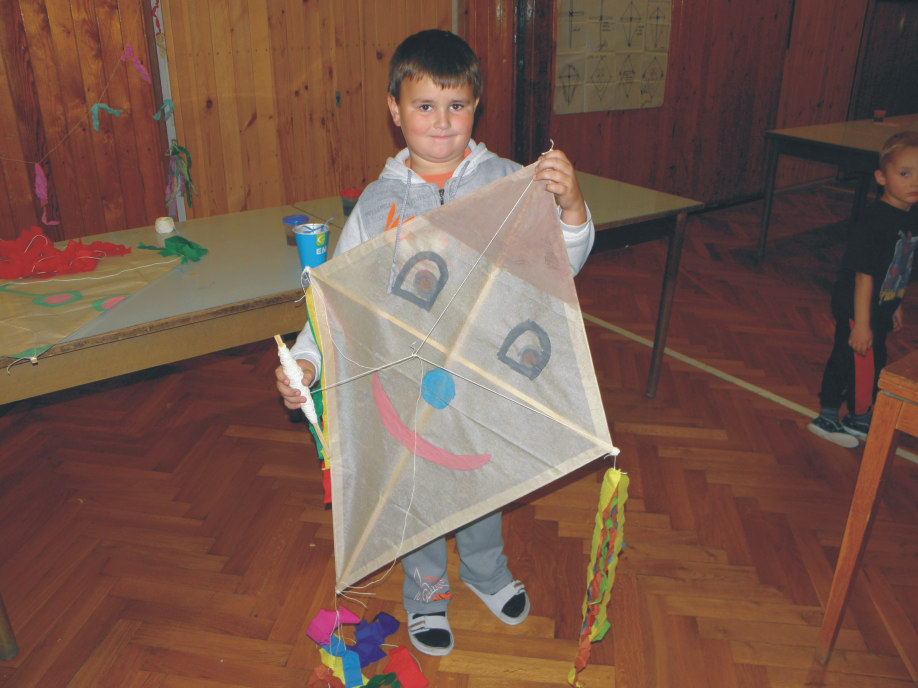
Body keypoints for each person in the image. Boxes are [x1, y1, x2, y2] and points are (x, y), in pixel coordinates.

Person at [274, 29, 595, 656]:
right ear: (396, 110)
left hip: (481, 377)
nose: (442, 122)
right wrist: (307, 362)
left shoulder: (508, 180)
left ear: (477, 107)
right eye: (425, 105)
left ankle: (483, 569)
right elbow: (337, 302)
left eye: (457, 105)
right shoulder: (376, 205)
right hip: (405, 379)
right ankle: (426, 594)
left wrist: (574, 207)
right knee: (418, 487)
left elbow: (562, 266)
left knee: (478, 480)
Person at [808, 130, 918, 448]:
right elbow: (863, 276)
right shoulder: (874, 222)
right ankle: (828, 415)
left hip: (879, 304)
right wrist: (863, 323)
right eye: (905, 174)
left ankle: (857, 416)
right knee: (850, 359)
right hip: (858, 305)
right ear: (881, 177)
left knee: (874, 359)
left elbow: (898, 265)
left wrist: (895, 302)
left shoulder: (910, 215)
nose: (914, 182)